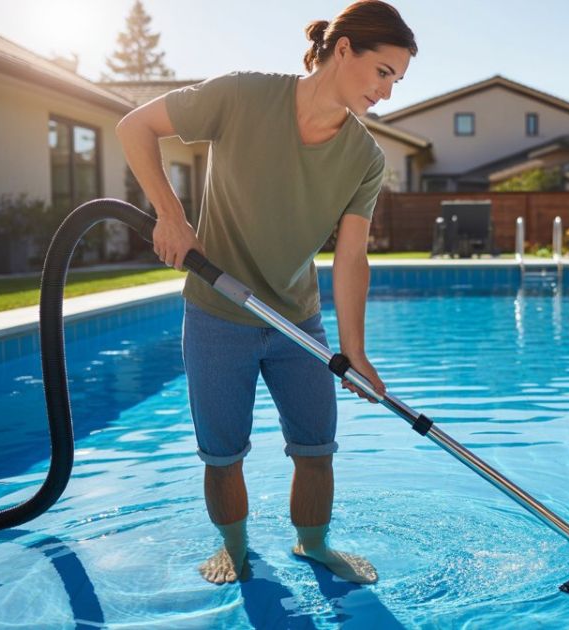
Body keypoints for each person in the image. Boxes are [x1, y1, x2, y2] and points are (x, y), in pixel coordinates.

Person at [115, 1, 416, 585]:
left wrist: (354, 350)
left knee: (316, 449)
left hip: (297, 320)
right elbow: (135, 126)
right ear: (345, 47)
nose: (387, 92)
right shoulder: (243, 95)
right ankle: (234, 548)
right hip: (216, 313)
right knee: (223, 456)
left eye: (397, 81)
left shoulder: (365, 157)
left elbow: (352, 256)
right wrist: (171, 215)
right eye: (384, 72)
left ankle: (314, 546)